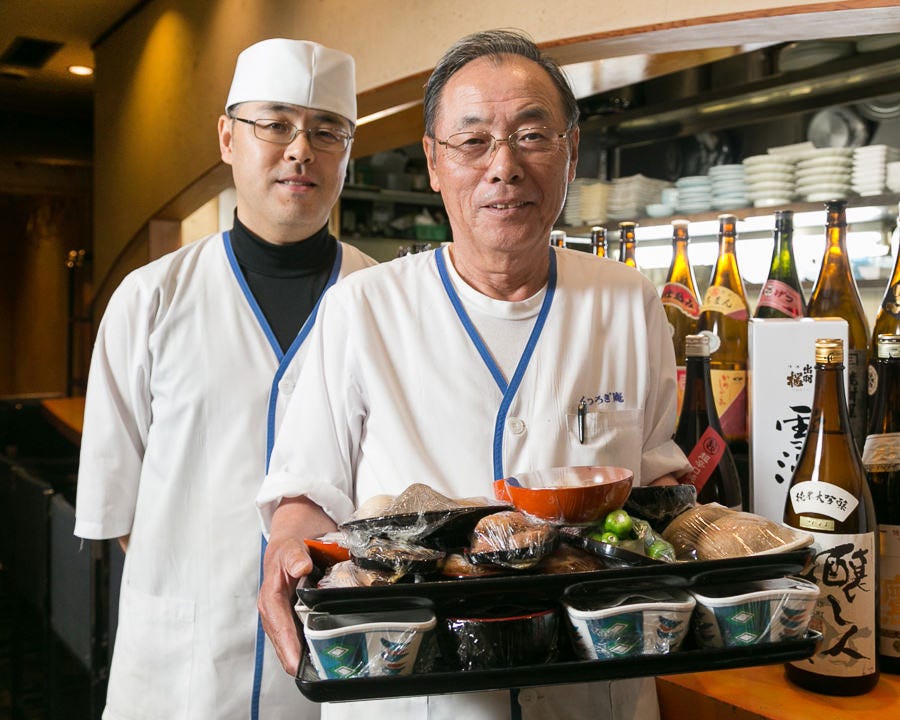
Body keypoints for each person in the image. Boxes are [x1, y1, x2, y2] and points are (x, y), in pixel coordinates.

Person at [257, 29, 691, 720]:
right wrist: (286, 546)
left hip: (592, 689)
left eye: (532, 136)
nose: (504, 167)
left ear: (571, 153)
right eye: (473, 141)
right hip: (415, 694)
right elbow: (309, 494)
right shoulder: (362, 309)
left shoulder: (628, 301)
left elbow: (656, 477)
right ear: (434, 161)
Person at [74, 38, 375, 720]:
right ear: (227, 138)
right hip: (182, 668)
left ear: (347, 153)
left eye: (327, 130)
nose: (300, 150)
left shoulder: (384, 302)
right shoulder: (150, 299)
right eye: (275, 124)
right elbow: (119, 506)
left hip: (331, 659)